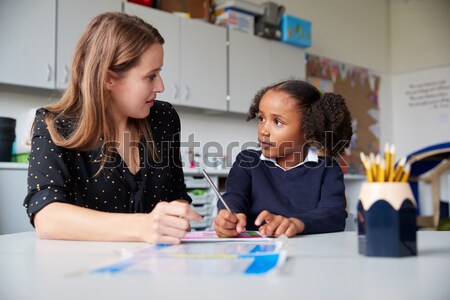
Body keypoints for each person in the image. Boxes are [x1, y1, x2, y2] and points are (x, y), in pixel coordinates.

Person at [23, 12, 201, 245]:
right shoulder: (54, 124)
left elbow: (176, 194)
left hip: (157, 268)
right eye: (150, 76)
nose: (161, 86)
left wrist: (176, 215)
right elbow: (47, 217)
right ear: (109, 79)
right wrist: (143, 227)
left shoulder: (163, 118)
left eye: (160, 73)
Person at [214, 80, 353, 238]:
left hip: (307, 253)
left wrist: (296, 223)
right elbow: (234, 195)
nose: (264, 130)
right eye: (261, 119)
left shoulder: (327, 169)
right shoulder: (247, 161)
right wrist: (229, 214)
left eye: (277, 122)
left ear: (309, 130)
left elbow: (333, 214)